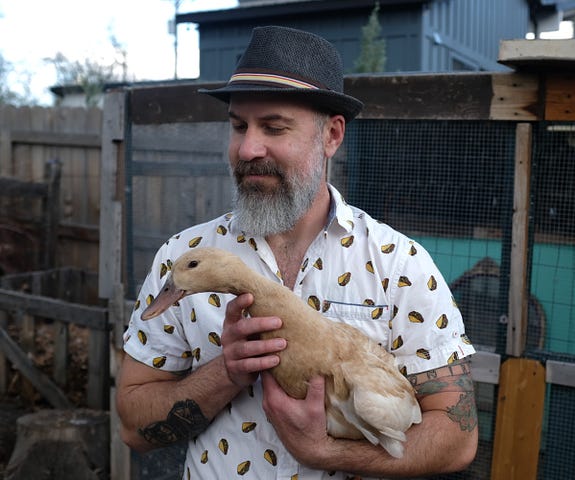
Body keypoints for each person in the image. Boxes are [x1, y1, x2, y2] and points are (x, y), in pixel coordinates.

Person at [116, 25, 478, 479]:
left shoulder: (398, 264)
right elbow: (132, 425)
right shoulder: (184, 256)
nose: (248, 148)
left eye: (273, 126)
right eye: (238, 126)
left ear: (331, 136)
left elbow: (458, 436)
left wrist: (325, 452)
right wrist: (224, 373)